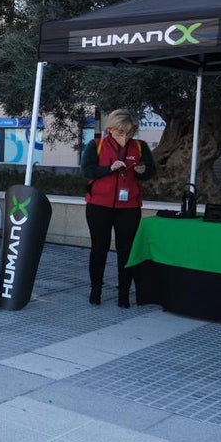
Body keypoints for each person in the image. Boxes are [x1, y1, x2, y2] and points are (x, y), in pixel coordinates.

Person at [81, 109, 157, 308]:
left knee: (126, 250)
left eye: (129, 133)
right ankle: (95, 290)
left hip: (129, 206)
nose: (125, 137)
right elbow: (87, 170)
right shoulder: (96, 145)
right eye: (120, 132)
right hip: (99, 205)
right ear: (111, 129)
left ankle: (124, 293)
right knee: (99, 248)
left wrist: (143, 171)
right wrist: (109, 169)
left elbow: (151, 171)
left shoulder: (140, 147)